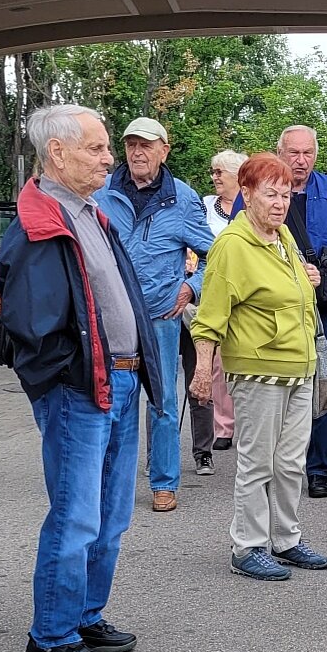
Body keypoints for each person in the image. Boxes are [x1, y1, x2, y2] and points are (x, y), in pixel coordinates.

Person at [0, 104, 163, 652]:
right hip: (82, 387)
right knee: (76, 516)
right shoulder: (39, 222)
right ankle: (51, 637)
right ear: (57, 152)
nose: (109, 158)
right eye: (96, 148)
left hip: (117, 379)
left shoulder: (90, 211)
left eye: (106, 147)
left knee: (110, 515)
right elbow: (33, 325)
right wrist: (76, 376)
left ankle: (84, 616)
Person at [190, 153, 327, 581]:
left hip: (299, 367)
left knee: (290, 462)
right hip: (258, 370)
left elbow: (292, 295)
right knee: (257, 463)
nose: (280, 203)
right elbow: (209, 316)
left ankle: (286, 539)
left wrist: (308, 280)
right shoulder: (232, 245)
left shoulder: (283, 236)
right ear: (247, 194)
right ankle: (248, 546)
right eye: (271, 194)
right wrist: (202, 370)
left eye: (285, 195)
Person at [96, 117, 216, 513]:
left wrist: (191, 287)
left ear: (164, 150)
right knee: (112, 400)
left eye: (146, 145)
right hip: (112, 318)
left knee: (162, 401)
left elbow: (214, 256)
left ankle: (164, 483)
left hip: (161, 315)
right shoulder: (101, 192)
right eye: (131, 144)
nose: (137, 152)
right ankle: (110, 482)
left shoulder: (183, 198)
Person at [247, 125, 327, 499]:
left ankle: (318, 469)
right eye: (293, 153)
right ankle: (277, 465)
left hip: (323, 306)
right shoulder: (259, 189)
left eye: (307, 153)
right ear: (279, 153)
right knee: (278, 385)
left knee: (326, 385)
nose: (301, 160)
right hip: (273, 307)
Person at [189, 150, 248, 459]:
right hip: (215, 286)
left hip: (246, 288)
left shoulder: (251, 204)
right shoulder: (205, 205)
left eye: (219, 172)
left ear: (238, 175)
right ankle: (223, 426)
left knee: (243, 358)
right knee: (216, 363)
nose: (214, 177)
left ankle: (245, 423)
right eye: (213, 172)